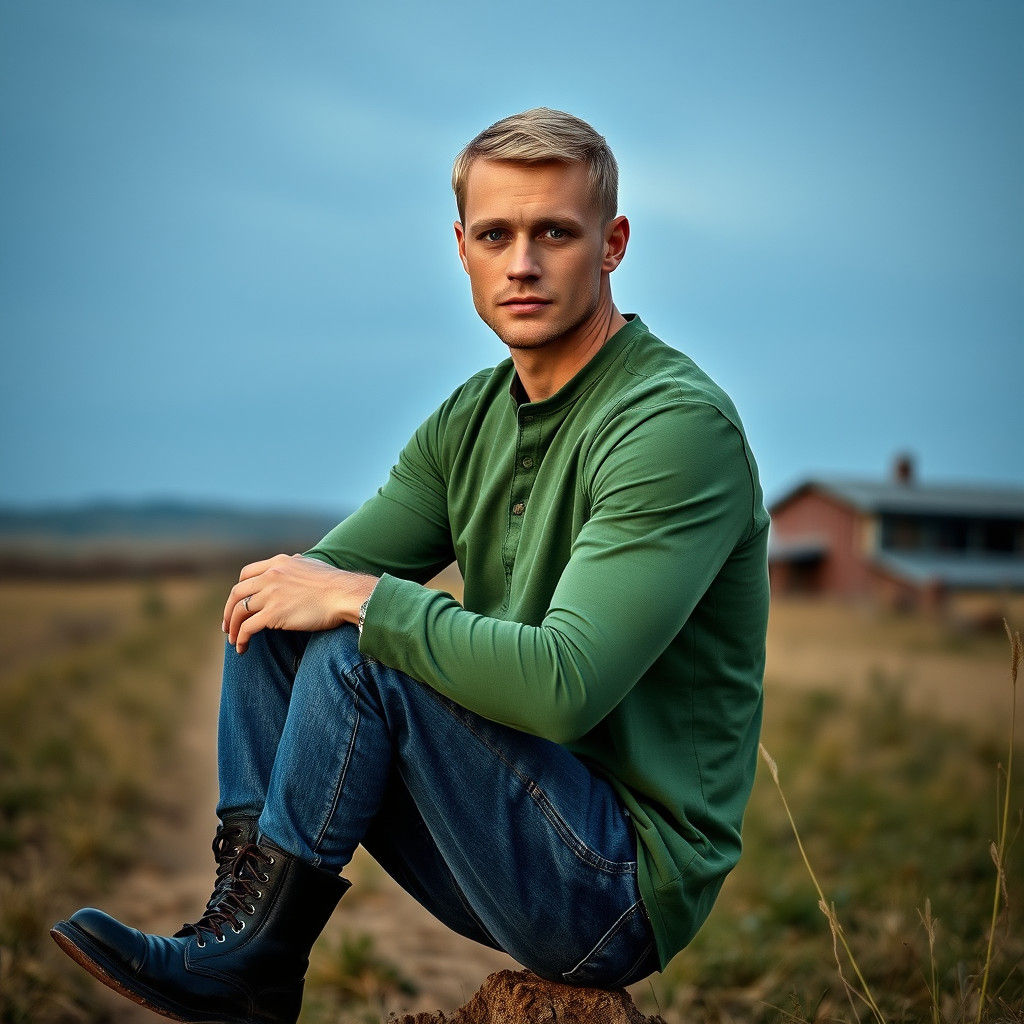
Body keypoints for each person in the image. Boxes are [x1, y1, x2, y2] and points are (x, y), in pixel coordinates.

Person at [51, 108, 770, 1024]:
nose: (523, 263)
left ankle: (248, 959)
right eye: (496, 234)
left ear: (613, 244)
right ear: (461, 248)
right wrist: (309, 587)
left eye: (555, 231)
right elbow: (312, 579)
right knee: (274, 611)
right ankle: (245, 941)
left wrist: (360, 600)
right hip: (502, 828)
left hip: (616, 883)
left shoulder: (671, 427)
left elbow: (565, 686)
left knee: (360, 650)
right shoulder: (470, 418)